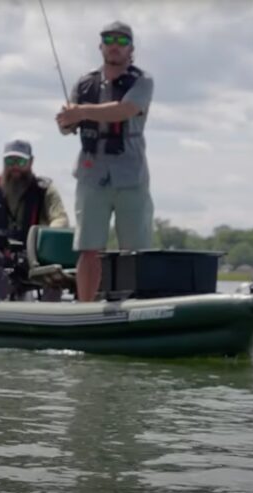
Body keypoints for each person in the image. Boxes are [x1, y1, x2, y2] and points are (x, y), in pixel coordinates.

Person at [56, 21, 154, 302]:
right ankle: (85, 308)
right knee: (88, 248)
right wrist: (66, 120)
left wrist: (80, 112)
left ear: (131, 49)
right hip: (91, 174)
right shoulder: (84, 83)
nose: (114, 45)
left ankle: (139, 305)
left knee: (134, 249)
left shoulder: (142, 80)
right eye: (108, 39)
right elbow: (65, 126)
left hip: (130, 174)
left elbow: (125, 110)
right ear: (100, 46)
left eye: (122, 41)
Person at [0, 139, 70, 301]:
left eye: (20, 161)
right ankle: (8, 298)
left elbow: (60, 218)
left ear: (31, 162)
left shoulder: (44, 190)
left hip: (35, 260)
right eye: (10, 161)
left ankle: (51, 311)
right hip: (4, 258)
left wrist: (45, 240)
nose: (15, 166)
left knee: (53, 265)